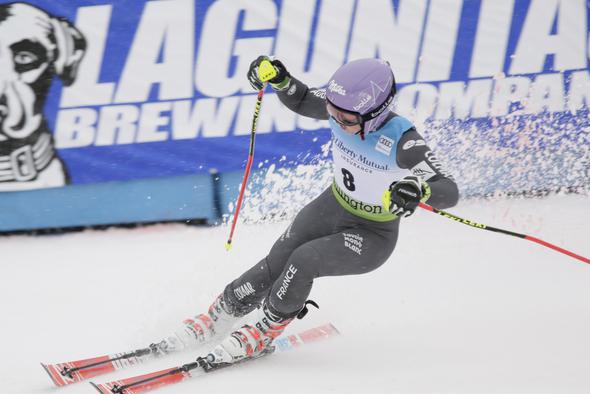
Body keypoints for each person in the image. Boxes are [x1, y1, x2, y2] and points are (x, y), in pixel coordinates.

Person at [153, 56, 459, 366]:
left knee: (304, 260)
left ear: (376, 114)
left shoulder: (404, 141)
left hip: (373, 233)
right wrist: (281, 80)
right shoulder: (343, 108)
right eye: (332, 114)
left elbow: (448, 189)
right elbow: (301, 99)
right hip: (333, 205)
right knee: (278, 259)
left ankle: (265, 331)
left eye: (347, 120)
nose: (338, 122)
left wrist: (421, 189)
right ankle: (221, 314)